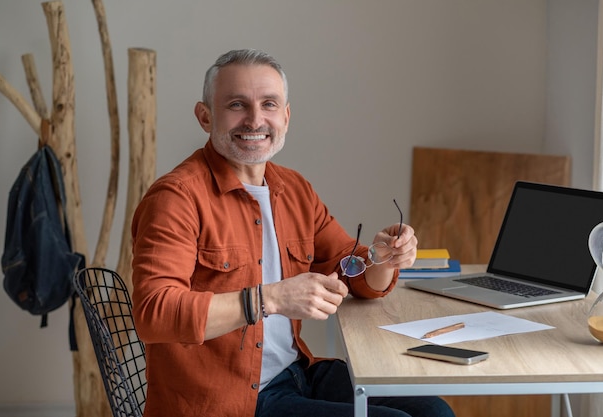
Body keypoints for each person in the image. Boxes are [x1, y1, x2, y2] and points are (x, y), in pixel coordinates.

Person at [131, 49, 455, 417]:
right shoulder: (176, 198)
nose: (255, 120)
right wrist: (270, 299)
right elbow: (153, 314)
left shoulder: (294, 189)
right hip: (227, 401)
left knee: (434, 411)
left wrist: (382, 258)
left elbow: (350, 270)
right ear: (205, 117)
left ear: (285, 116)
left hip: (295, 373)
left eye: (269, 104)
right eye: (237, 104)